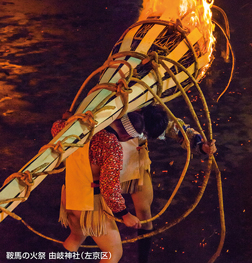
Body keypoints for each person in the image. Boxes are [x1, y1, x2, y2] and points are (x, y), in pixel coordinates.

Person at [119, 104, 217, 263]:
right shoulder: (114, 104)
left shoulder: (149, 103)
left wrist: (202, 146)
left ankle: (142, 260)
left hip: (134, 162)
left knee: (144, 214)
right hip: (105, 161)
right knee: (102, 217)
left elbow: (175, 127)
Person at [51, 111, 146, 263]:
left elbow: (56, 128)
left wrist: (66, 119)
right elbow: (109, 186)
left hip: (70, 195)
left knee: (76, 238)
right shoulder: (112, 145)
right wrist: (125, 214)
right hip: (89, 204)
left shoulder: (81, 127)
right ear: (127, 136)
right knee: (113, 252)